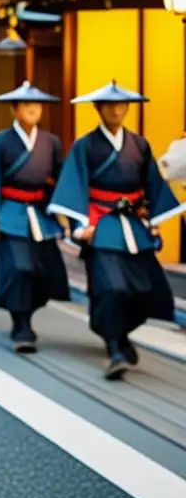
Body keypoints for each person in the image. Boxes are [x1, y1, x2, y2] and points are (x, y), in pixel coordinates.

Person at [48, 81, 185, 379]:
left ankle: (120, 334)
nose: (115, 110)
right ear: (98, 109)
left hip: (134, 225)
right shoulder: (85, 146)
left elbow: (150, 185)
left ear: (127, 108)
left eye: (120, 105)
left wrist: (153, 220)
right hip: (101, 225)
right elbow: (75, 184)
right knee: (112, 288)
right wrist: (80, 224)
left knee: (142, 289)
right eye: (108, 105)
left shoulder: (139, 144)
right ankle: (114, 347)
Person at [0, 81, 70, 353]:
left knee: (41, 271)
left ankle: (28, 316)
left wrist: (64, 212)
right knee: (19, 268)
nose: (33, 109)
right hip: (10, 211)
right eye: (27, 105)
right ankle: (19, 324)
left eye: (37, 105)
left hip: (40, 214)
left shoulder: (51, 142)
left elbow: (61, 180)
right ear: (15, 109)